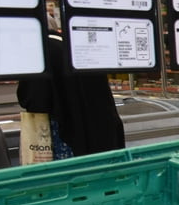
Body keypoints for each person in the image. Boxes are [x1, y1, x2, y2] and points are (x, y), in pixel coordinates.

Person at [17, 31, 125, 159]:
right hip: (104, 138)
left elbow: (35, 101)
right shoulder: (79, 44)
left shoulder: (40, 51)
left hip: (66, 140)